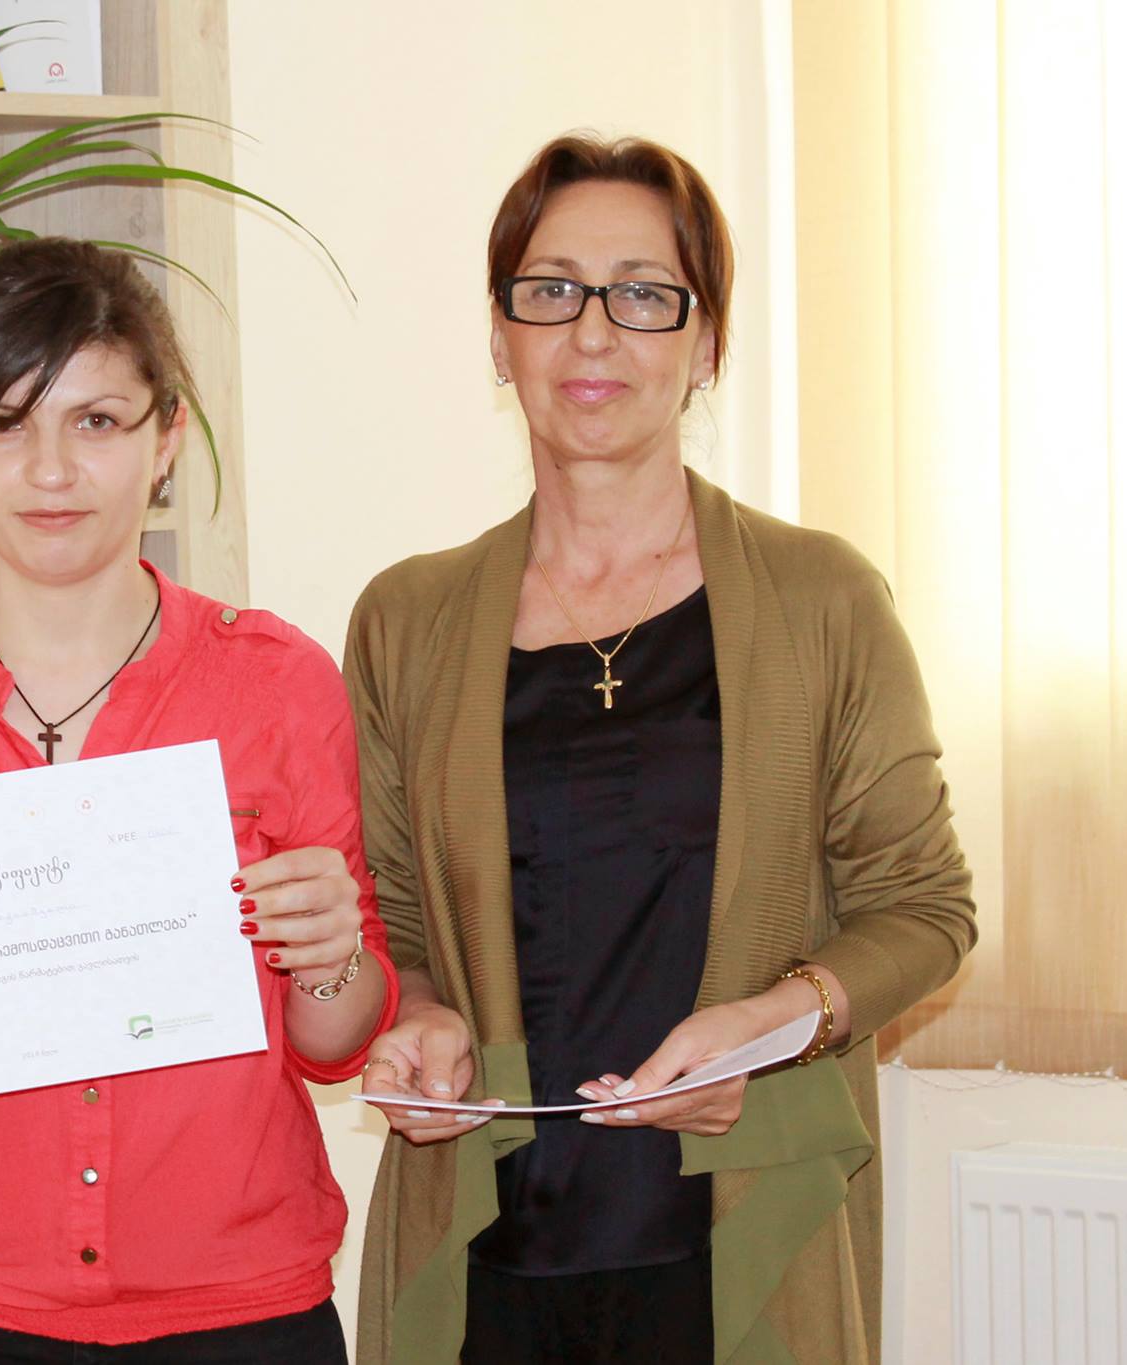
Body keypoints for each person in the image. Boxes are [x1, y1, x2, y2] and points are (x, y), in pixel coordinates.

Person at [348, 135, 977, 1365]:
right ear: (499, 337)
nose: (592, 334)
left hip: (739, 1240)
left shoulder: (821, 598)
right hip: (483, 1254)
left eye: (643, 294)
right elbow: (396, 925)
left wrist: (775, 1024)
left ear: (707, 344)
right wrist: (415, 1019)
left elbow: (923, 909)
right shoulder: (405, 620)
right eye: (550, 290)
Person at [0, 237, 396, 1363]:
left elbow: (334, 1046)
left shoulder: (274, 684)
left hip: (235, 1309)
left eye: (96, 421)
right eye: (5, 424)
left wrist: (332, 954)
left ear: (167, 438)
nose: (51, 472)